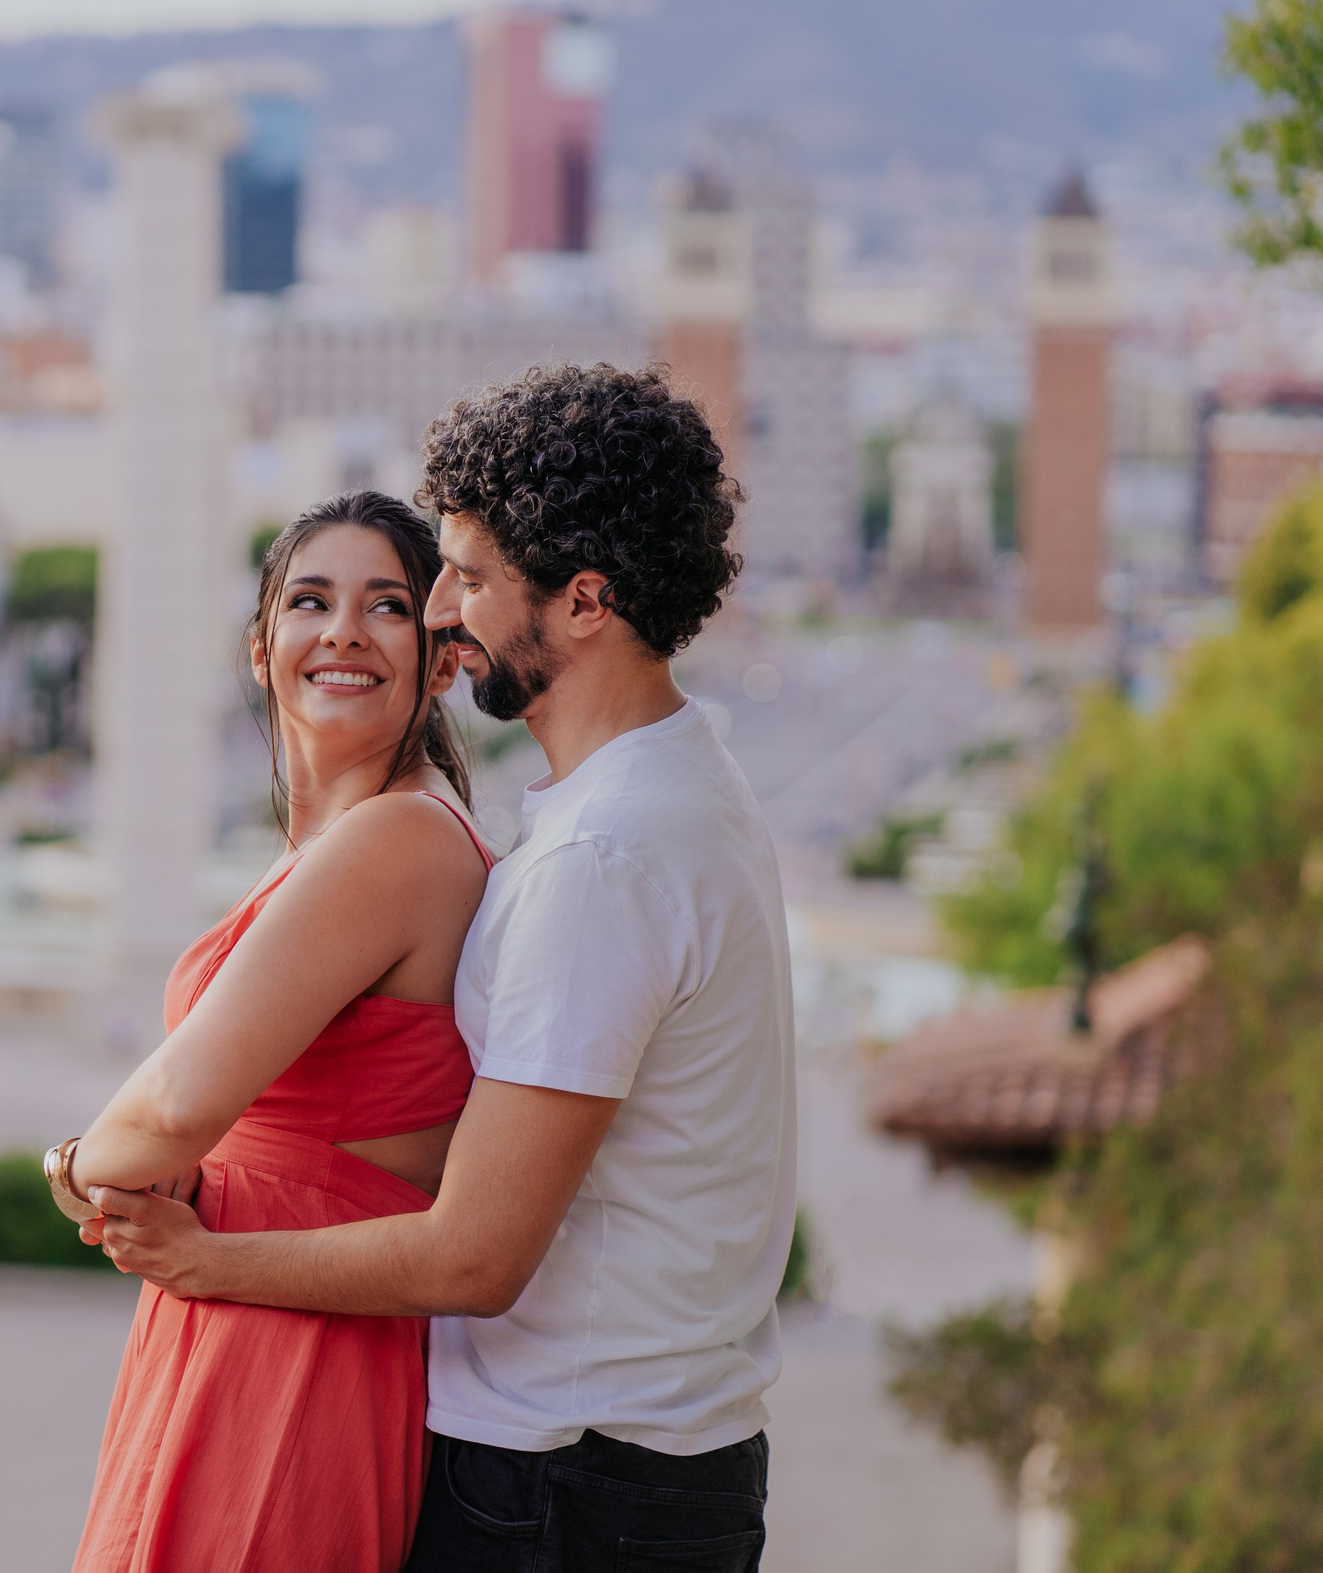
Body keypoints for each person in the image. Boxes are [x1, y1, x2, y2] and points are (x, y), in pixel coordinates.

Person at [90, 364, 793, 1573]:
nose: (443, 614)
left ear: (583, 603)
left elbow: (474, 1252)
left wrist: (210, 1259)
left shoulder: (602, 859)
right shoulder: (670, 789)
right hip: (615, 1462)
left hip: (569, 1478)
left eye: (464, 578)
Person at [51, 490, 494, 1573]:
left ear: (440, 662)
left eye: (387, 605)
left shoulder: (395, 839)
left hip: (297, 1350)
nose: (342, 630)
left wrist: (72, 1169)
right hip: (229, 1296)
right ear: (261, 650)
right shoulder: (339, 843)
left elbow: (175, 1106)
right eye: (310, 600)